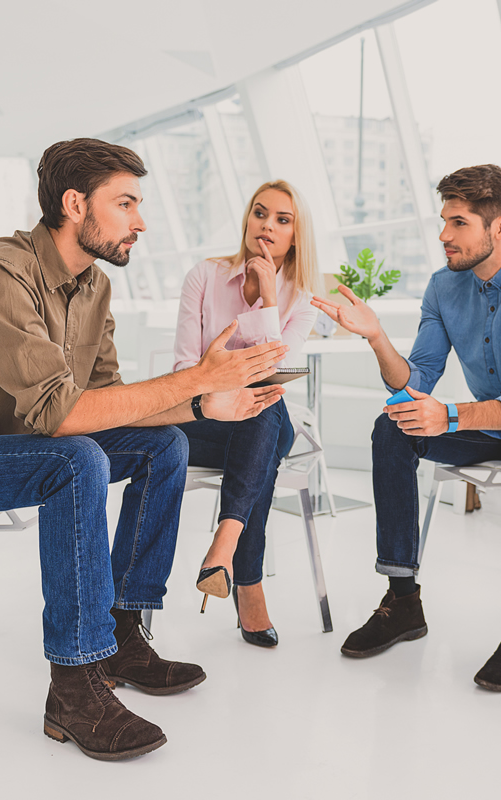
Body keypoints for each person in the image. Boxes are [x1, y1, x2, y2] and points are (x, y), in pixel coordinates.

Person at [0, 138, 288, 760]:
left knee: (162, 444)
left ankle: (122, 631)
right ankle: (73, 684)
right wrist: (195, 379)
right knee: (75, 459)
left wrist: (202, 405)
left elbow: (115, 404)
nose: (141, 221)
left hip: (32, 444)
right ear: (74, 204)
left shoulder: (93, 286)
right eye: (127, 203)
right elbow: (61, 417)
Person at [312, 164, 501, 690]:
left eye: (459, 222)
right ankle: (403, 600)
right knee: (392, 427)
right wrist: (377, 337)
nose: (444, 235)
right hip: (497, 425)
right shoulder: (444, 287)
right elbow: (415, 383)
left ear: (500, 227)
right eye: (443, 221)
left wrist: (450, 415)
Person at [173, 180, 319, 646]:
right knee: (264, 418)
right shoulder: (205, 276)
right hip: (201, 420)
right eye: (260, 213)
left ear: (297, 234)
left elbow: (273, 372)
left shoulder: (302, 298)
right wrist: (226, 385)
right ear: (247, 219)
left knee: (262, 406)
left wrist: (269, 300)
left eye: (282, 219)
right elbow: (183, 371)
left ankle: (225, 541)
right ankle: (246, 580)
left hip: (259, 419)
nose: (267, 226)